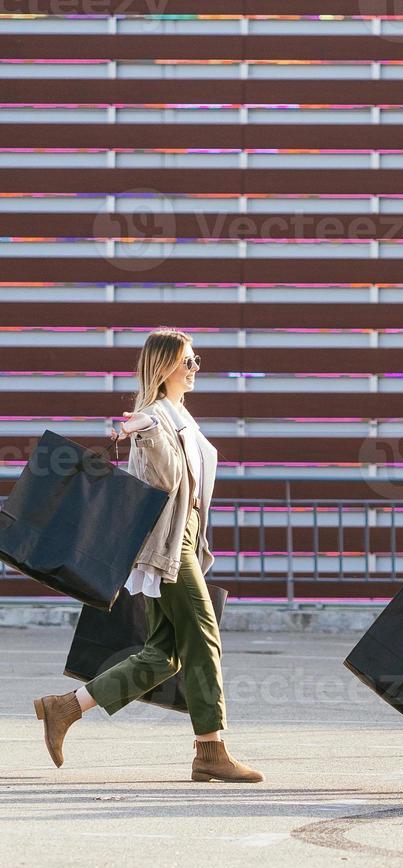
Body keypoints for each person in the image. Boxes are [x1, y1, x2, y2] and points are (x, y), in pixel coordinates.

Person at [33, 328, 262, 783]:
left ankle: (65, 707)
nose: (195, 369)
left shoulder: (179, 415)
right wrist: (143, 429)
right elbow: (164, 477)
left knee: (164, 654)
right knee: (203, 636)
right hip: (168, 545)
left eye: (197, 360)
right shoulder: (156, 416)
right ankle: (210, 748)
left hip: (185, 537)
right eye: (188, 362)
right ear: (165, 368)